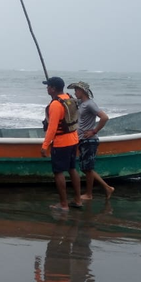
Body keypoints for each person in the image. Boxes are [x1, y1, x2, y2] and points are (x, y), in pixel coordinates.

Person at [41, 76, 83, 211]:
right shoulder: (68, 98)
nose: (46, 88)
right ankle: (78, 200)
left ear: (53, 89)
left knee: (58, 172)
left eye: (48, 86)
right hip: (73, 139)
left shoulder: (55, 104)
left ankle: (64, 204)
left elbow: (52, 128)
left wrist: (45, 146)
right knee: (72, 169)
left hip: (61, 143)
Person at [68, 81, 115, 200]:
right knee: (85, 168)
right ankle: (105, 188)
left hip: (89, 140)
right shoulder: (81, 103)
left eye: (77, 90)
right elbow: (70, 102)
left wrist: (94, 131)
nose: (75, 92)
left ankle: (92, 193)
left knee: (88, 169)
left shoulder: (90, 104)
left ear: (82, 91)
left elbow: (104, 118)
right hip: (82, 140)